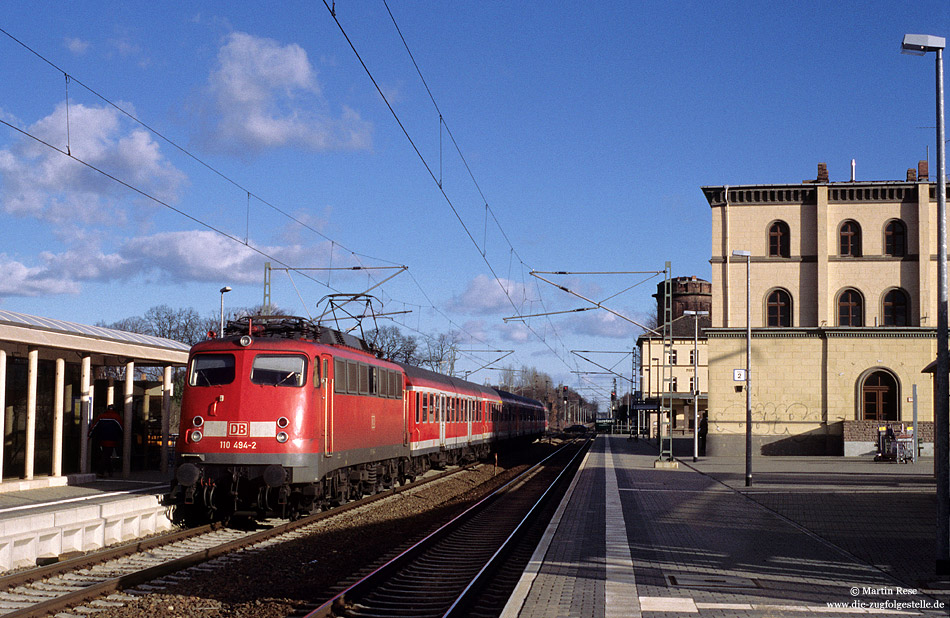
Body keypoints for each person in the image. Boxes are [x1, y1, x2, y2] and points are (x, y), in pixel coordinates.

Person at [89, 405, 123, 477]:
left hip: (102, 439)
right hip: (112, 439)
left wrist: (89, 436)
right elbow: (121, 429)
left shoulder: (101, 417)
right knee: (107, 455)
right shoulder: (117, 417)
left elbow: (94, 427)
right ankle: (101, 471)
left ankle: (109, 471)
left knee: (106, 454)